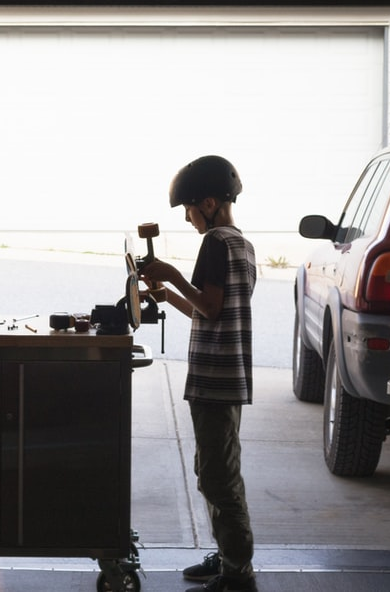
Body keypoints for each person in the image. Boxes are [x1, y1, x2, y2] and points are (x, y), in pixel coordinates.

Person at [138, 155, 258, 592]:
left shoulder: (215, 243)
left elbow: (209, 306)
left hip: (215, 379)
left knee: (217, 477)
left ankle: (237, 572)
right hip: (228, 377)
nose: (188, 219)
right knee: (217, 469)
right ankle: (227, 555)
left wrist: (169, 271)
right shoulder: (241, 244)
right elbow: (209, 311)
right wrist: (169, 293)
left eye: (188, 209)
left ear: (208, 203)